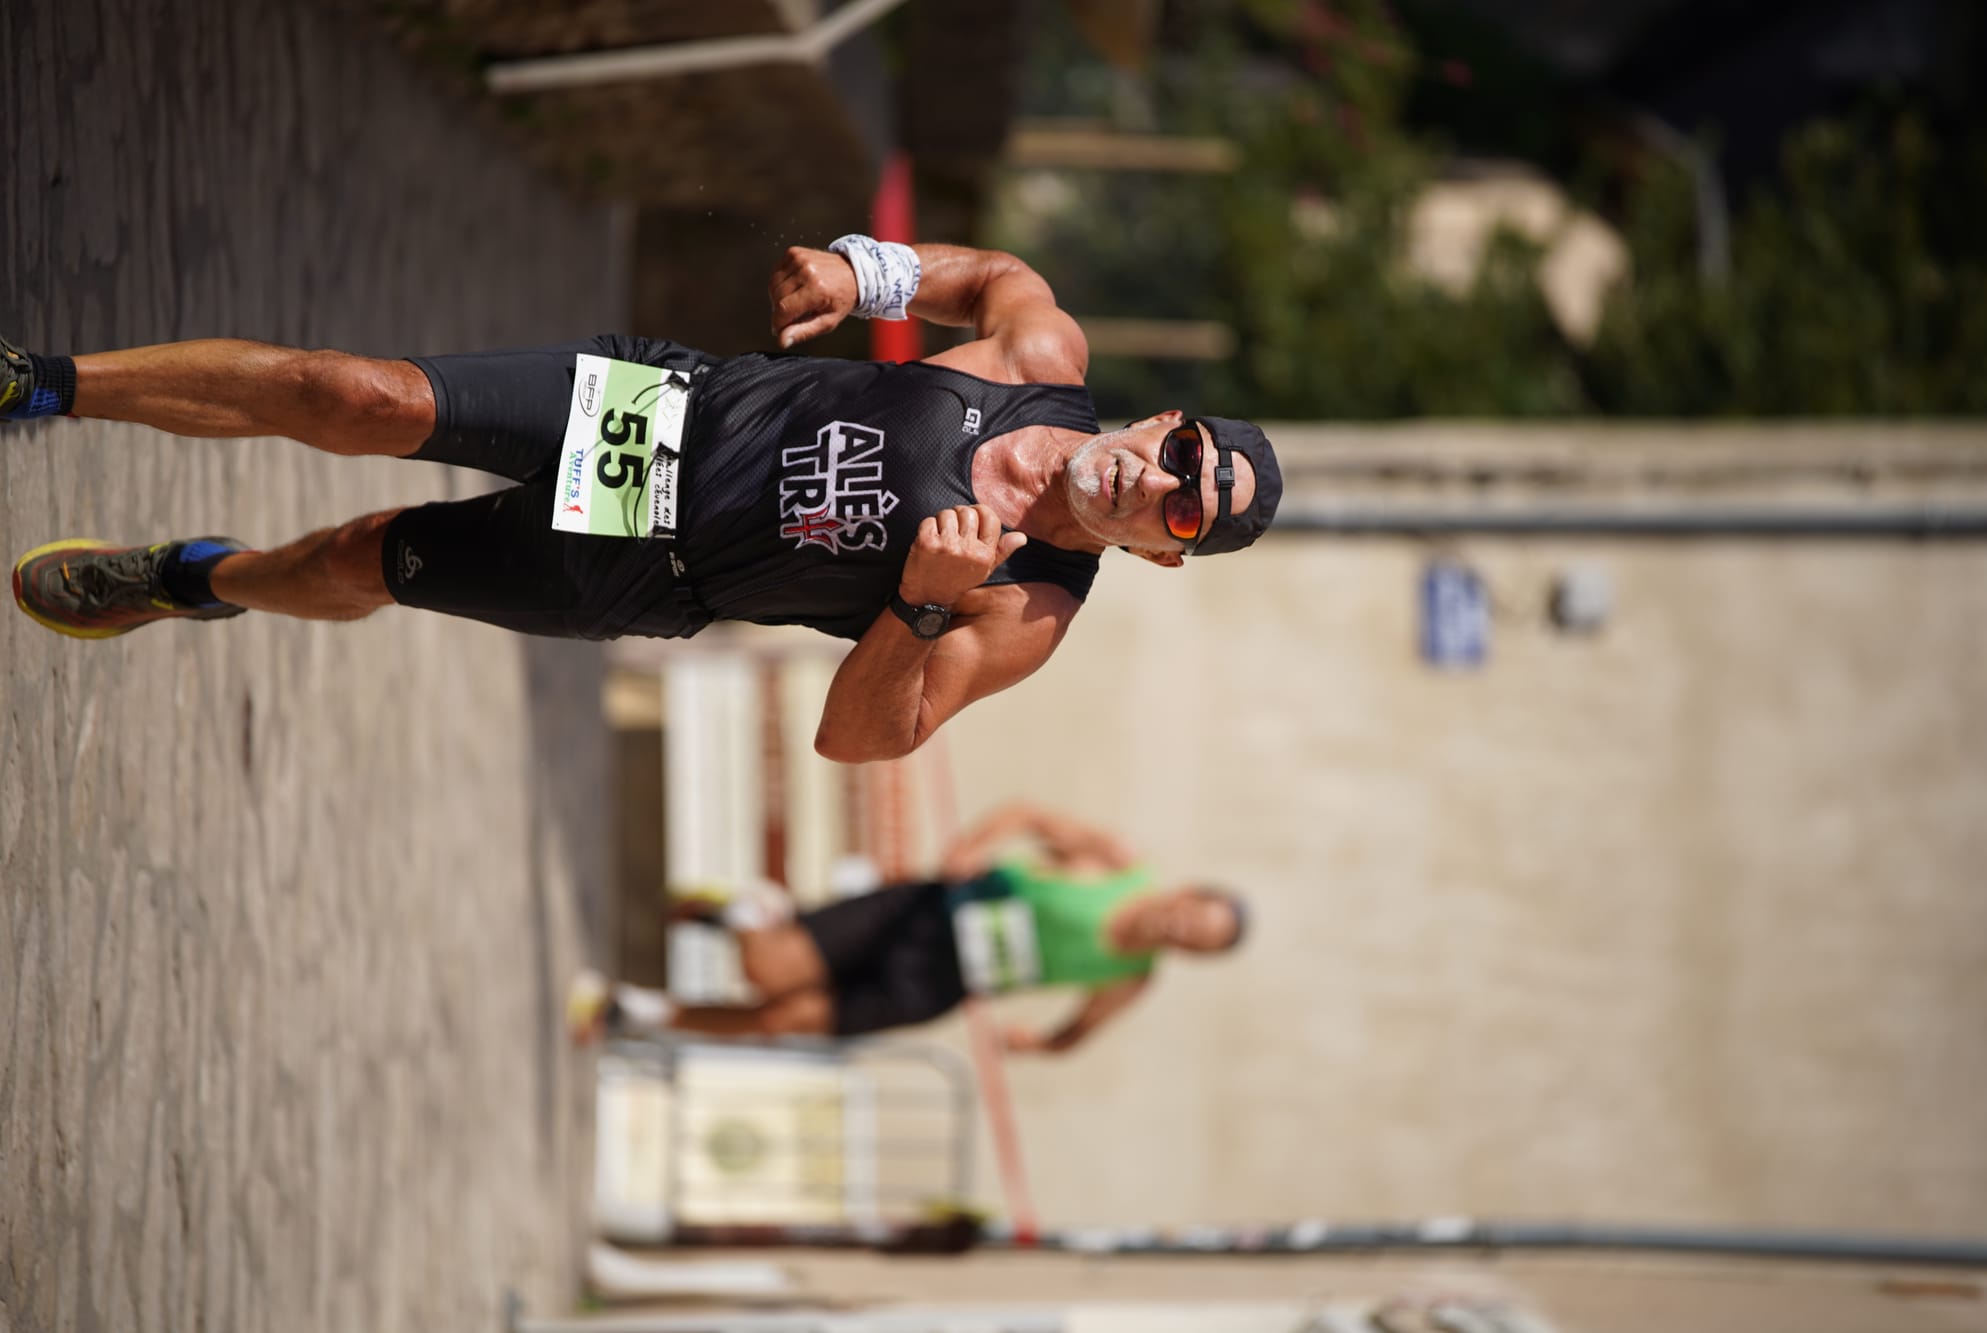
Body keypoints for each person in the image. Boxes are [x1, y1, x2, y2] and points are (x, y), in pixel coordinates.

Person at [6, 240, 1281, 760]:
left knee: (352, 557)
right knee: (360, 394)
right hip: (658, 415)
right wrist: (860, 269)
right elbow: (994, 272)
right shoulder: (1037, 365)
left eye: (1186, 512)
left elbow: (860, 740)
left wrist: (922, 609)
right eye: (1186, 455)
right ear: (1163, 421)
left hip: (644, 570)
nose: (1162, 483)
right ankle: (46, 383)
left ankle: (191, 580)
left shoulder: (1027, 610)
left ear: (1165, 558)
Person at [571, 801, 1248, 1049]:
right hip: (924, 915)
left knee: (779, 1020)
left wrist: (1034, 1043)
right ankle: (749, 912)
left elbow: (1079, 1031)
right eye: (1193, 915)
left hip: (940, 985)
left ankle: (628, 1010)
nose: (1180, 928)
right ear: (1184, 893)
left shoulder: (1132, 978)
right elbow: (1028, 817)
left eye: (1196, 939)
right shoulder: (1121, 864)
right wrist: (973, 846)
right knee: (766, 969)